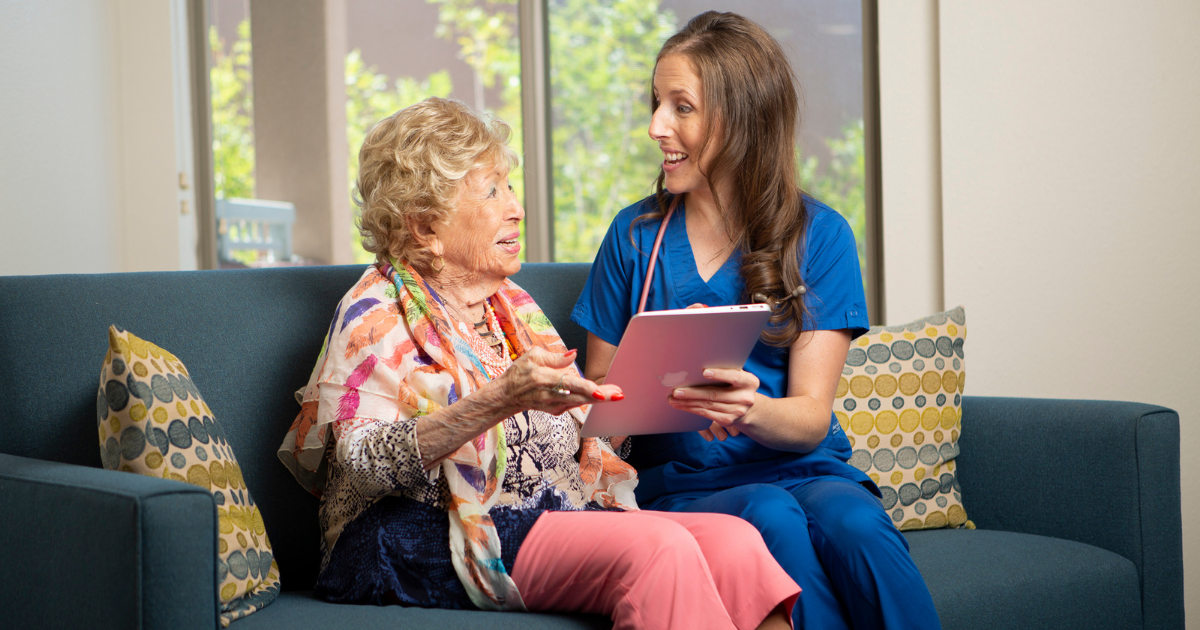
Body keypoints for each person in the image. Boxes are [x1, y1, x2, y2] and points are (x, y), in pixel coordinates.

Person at [276, 97, 798, 630]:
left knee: (736, 543)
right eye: (492, 192)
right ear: (424, 227)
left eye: (509, 187)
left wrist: (669, 388)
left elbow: (585, 441)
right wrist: (499, 400)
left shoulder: (513, 305)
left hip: (546, 514)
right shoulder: (373, 311)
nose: (516, 208)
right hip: (415, 532)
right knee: (658, 546)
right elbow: (359, 463)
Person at [571, 12, 942, 630]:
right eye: (656, 103)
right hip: (686, 481)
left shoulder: (819, 236)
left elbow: (809, 418)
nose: (655, 126)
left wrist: (746, 408)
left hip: (805, 465)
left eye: (680, 107)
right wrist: (663, 366)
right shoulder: (634, 238)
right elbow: (597, 416)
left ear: (740, 120)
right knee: (770, 513)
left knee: (858, 528)